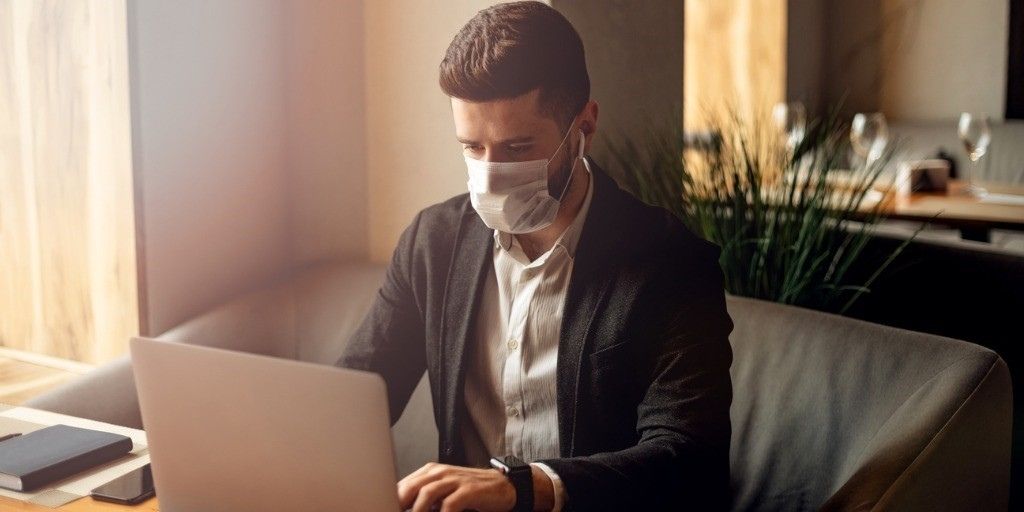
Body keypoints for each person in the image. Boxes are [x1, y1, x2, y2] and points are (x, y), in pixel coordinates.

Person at [337, 2, 734, 510]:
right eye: (471, 147)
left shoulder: (672, 265)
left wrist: (525, 488)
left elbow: (689, 458)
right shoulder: (431, 244)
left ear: (584, 126)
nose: (489, 174)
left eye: (517, 148)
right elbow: (353, 399)